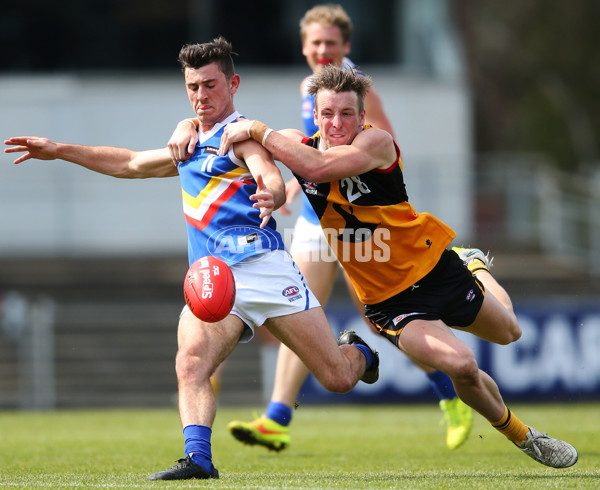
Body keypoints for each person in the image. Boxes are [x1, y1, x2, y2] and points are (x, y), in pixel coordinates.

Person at [3, 38, 380, 481]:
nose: (201, 96)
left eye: (210, 85)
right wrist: (60, 149)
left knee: (336, 377)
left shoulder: (240, 136)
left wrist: (272, 194)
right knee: (189, 363)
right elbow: (129, 163)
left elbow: (269, 176)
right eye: (193, 87)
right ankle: (198, 457)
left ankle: (358, 353)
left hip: (265, 269)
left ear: (233, 84)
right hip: (213, 279)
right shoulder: (186, 144)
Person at [210, 64, 579, 469]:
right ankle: (525, 437)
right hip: (389, 301)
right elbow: (233, 134)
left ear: (362, 117)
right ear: (314, 116)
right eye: (328, 113)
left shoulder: (377, 143)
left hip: (435, 269)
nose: (336, 123)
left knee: (510, 331)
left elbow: (316, 167)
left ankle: (474, 266)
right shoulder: (298, 143)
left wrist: (259, 130)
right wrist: (189, 129)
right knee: (462, 366)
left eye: (347, 114)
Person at [168, 3, 472, 453]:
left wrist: (331, 172)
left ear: (345, 46)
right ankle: (278, 417)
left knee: (381, 315)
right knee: (297, 315)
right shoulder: (309, 87)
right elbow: (310, 154)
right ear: (304, 46)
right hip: (316, 222)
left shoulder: (354, 86)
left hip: (357, 225)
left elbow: (374, 149)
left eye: (331, 43)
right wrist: (292, 185)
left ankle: (450, 395)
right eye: (315, 43)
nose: (323, 51)